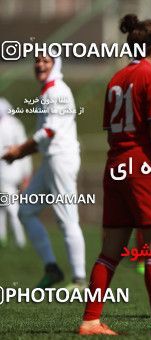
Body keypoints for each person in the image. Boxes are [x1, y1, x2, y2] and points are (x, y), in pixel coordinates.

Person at [78, 14, 151, 336]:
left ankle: (90, 320)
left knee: (110, 251)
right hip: (140, 167)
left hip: (114, 164)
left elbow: (112, 129)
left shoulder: (116, 78)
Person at [2, 52, 86, 290]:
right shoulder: (49, 91)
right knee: (25, 210)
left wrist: (19, 151)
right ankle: (52, 268)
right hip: (51, 158)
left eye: (46, 61)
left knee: (67, 219)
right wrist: (19, 153)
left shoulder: (57, 91)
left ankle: (79, 279)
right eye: (37, 60)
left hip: (61, 159)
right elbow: (44, 138)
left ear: (56, 64)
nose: (40, 64)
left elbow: (48, 133)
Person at [0, 98, 31, 248]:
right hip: (17, 171)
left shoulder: (3, 126)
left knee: (11, 206)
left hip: (4, 173)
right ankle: (2, 236)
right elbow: (25, 150)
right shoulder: (17, 125)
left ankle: (20, 239)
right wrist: (27, 174)